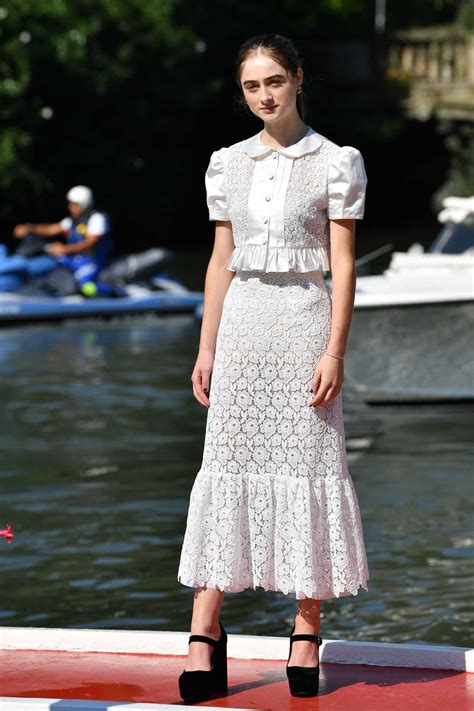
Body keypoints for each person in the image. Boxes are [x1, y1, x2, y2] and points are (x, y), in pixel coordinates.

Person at [177, 33, 369, 701]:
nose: (264, 95)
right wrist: (206, 347)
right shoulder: (225, 163)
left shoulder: (337, 161)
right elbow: (216, 261)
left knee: (310, 467)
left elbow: (342, 267)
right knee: (225, 465)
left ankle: (306, 629)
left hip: (304, 325)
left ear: (297, 79)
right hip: (242, 328)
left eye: (274, 81)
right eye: (252, 85)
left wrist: (334, 350)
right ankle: (205, 629)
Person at [13, 185, 114, 296]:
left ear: (83, 204)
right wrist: (29, 227)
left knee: (84, 285)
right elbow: (50, 229)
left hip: (92, 262)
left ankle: (115, 294)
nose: (70, 207)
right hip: (73, 261)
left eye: (74, 204)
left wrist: (64, 249)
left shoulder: (97, 219)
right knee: (45, 268)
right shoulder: (72, 221)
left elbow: (90, 242)